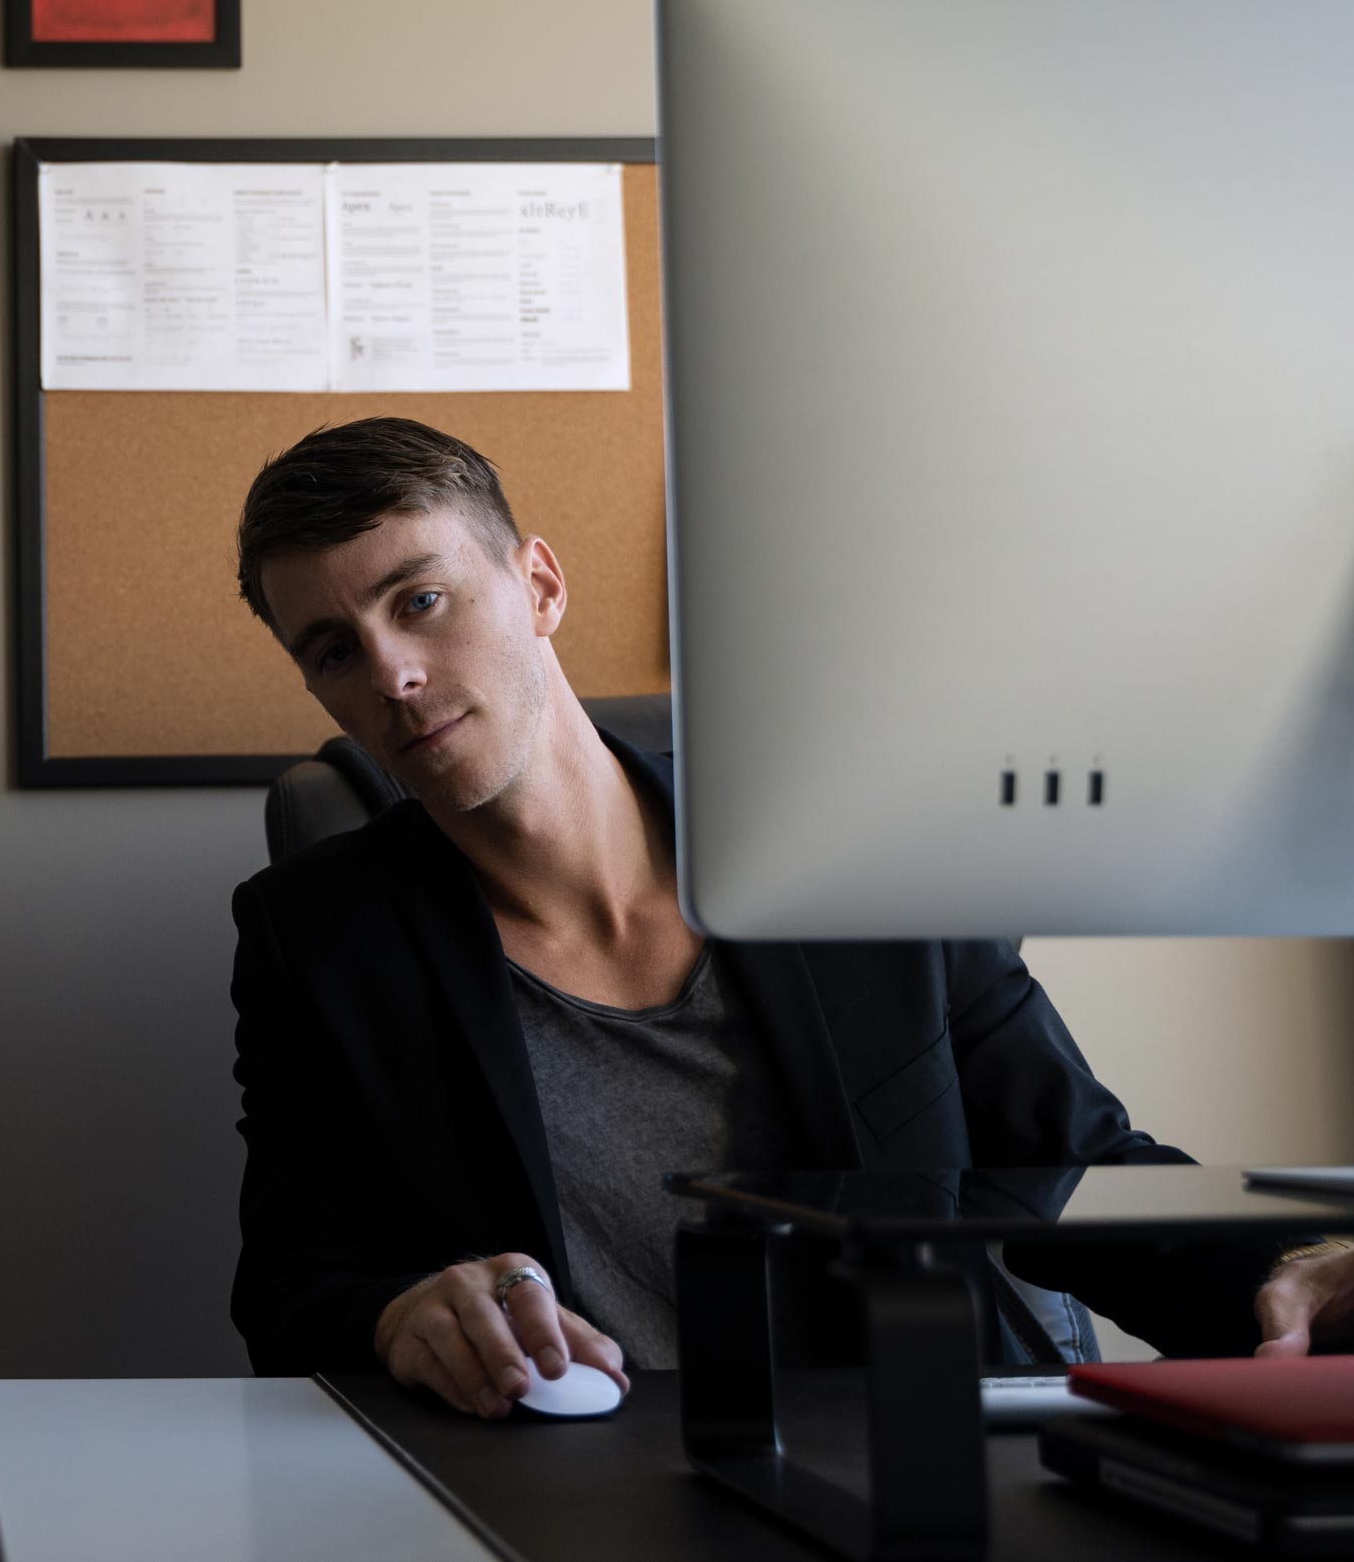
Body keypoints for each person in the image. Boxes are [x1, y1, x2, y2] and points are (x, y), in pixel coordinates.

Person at [227, 417, 1354, 1418]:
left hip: (925, 1449)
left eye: (420, 599)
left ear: (540, 585)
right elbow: (289, 1293)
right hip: (583, 1482)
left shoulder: (847, 859)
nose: (394, 672)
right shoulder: (319, 940)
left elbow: (1080, 1166)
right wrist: (397, 1319)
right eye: (333, 649)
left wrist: (1299, 1267)